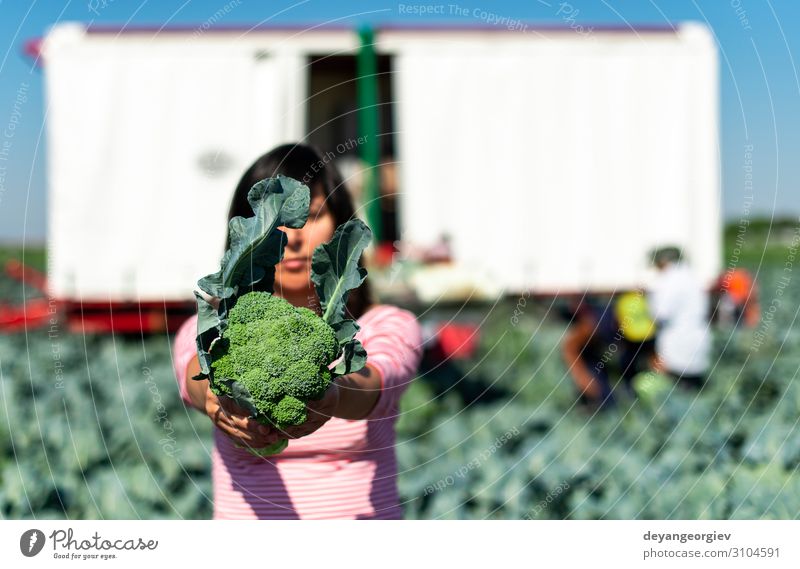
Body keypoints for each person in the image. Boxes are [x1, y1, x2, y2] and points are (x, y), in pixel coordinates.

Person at [172, 143, 423, 519]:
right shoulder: (213, 329)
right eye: (273, 223)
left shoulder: (386, 325)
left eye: (310, 216)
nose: (292, 237)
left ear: (339, 224)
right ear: (245, 237)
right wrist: (214, 397)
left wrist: (335, 394)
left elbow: (379, 382)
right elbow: (191, 371)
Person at [561, 292, 657, 410]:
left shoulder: (646, 324)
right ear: (618, 319)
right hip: (594, 364)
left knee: (631, 397)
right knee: (603, 399)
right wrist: (583, 379)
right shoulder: (595, 324)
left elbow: (650, 352)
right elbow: (570, 347)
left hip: (621, 365)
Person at [647, 246, 711, 389]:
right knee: (695, 386)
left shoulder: (667, 280)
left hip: (676, 340)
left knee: (674, 387)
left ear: (663, 262)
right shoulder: (692, 276)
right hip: (699, 336)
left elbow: (661, 313)